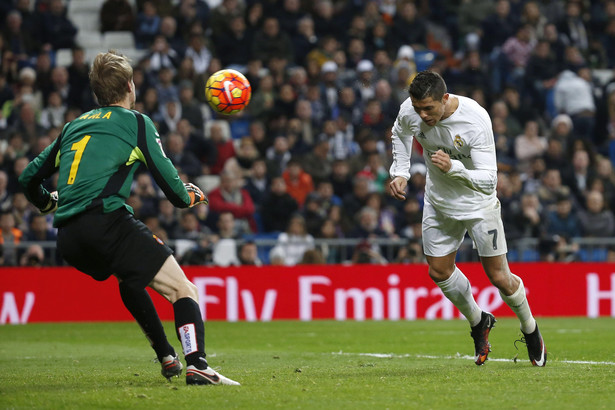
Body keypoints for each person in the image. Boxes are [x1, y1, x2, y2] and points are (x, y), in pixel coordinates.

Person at [18, 51, 239, 386]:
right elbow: (176, 195)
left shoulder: (72, 126)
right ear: (129, 86)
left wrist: (48, 204)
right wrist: (193, 193)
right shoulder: (137, 123)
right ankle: (197, 364)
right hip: (106, 222)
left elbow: (27, 179)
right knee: (183, 289)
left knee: (130, 278)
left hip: (69, 238)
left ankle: (167, 355)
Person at [388, 71, 547, 367]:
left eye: (429, 109)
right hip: (439, 202)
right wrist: (400, 171)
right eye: (417, 108)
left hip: (478, 204)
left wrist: (454, 169)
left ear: (445, 99)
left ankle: (530, 328)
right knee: (438, 271)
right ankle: (479, 321)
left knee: (499, 277)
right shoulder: (410, 111)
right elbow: (400, 133)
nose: (422, 115)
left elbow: (489, 180)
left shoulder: (475, 119)